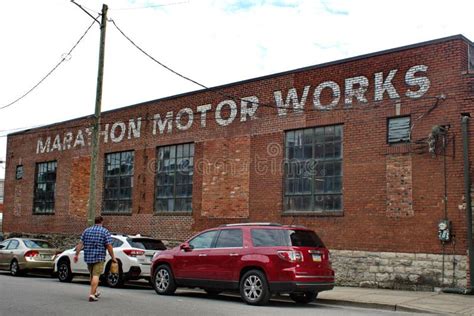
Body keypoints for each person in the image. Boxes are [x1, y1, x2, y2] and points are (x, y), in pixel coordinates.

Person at [74, 216, 117, 302]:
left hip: (88, 256)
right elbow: (109, 246)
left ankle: (95, 291)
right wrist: (113, 257)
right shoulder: (104, 231)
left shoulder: (87, 230)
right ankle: (92, 294)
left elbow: (80, 244)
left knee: (92, 275)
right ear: (101, 222)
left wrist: (76, 254)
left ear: (94, 221)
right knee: (96, 275)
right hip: (99, 256)